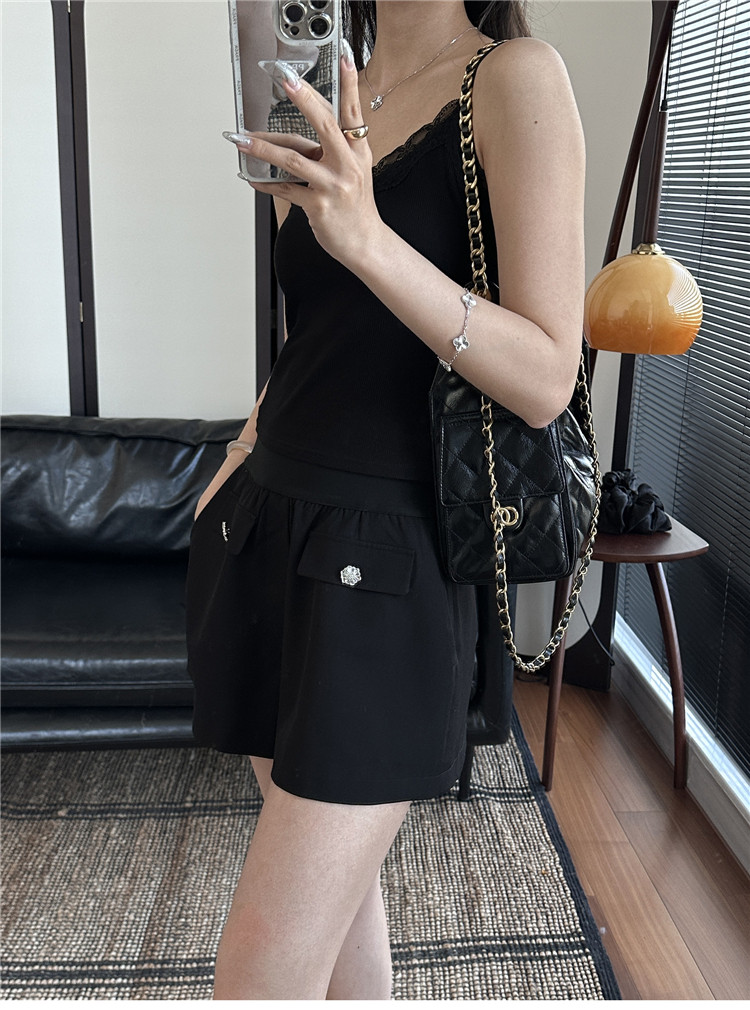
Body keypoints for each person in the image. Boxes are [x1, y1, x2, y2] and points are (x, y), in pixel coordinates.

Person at [188, 0, 585, 998]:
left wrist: (366, 236)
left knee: (259, 972)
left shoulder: (514, 78)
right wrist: (237, 454)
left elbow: (546, 377)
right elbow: (323, 332)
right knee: (336, 919)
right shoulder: (330, 85)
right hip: (266, 523)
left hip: (387, 561)